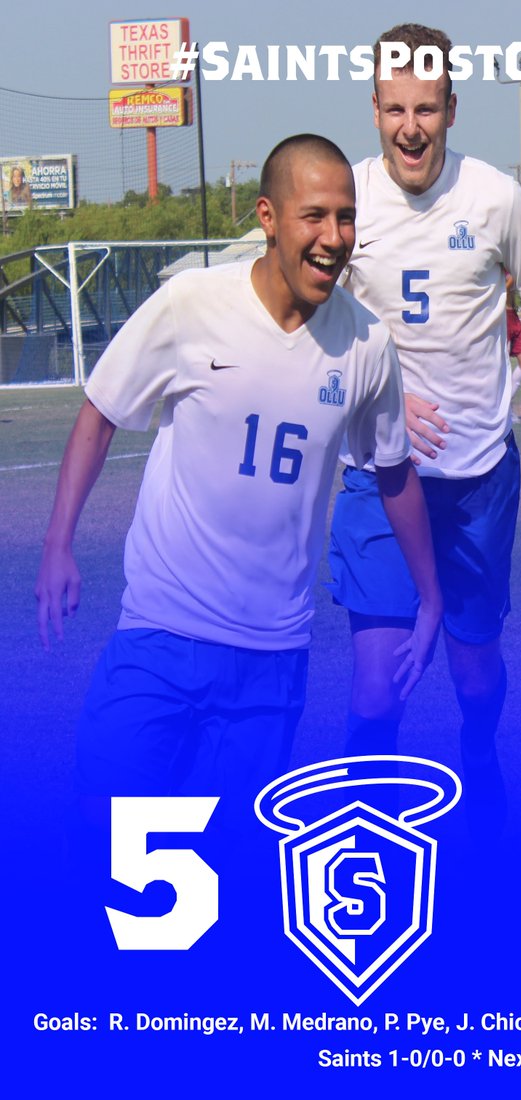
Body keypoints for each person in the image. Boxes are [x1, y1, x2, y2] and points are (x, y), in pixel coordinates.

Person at [34, 134, 440, 801]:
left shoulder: (367, 344)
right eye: (314, 215)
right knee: (108, 841)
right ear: (268, 217)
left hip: (272, 659)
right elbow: (100, 414)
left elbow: (392, 471)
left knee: (234, 870)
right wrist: (58, 545)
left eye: (346, 216)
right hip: (160, 635)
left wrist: (431, 596)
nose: (333, 236)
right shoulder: (192, 303)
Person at [329, 24, 521, 800]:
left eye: (426, 108)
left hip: (478, 479)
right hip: (379, 481)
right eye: (395, 109)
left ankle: (479, 754)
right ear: (375, 108)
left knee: (475, 669)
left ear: (451, 110)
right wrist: (373, 398)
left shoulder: (494, 198)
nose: (410, 127)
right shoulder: (344, 204)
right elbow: (306, 326)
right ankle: (362, 852)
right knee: (375, 690)